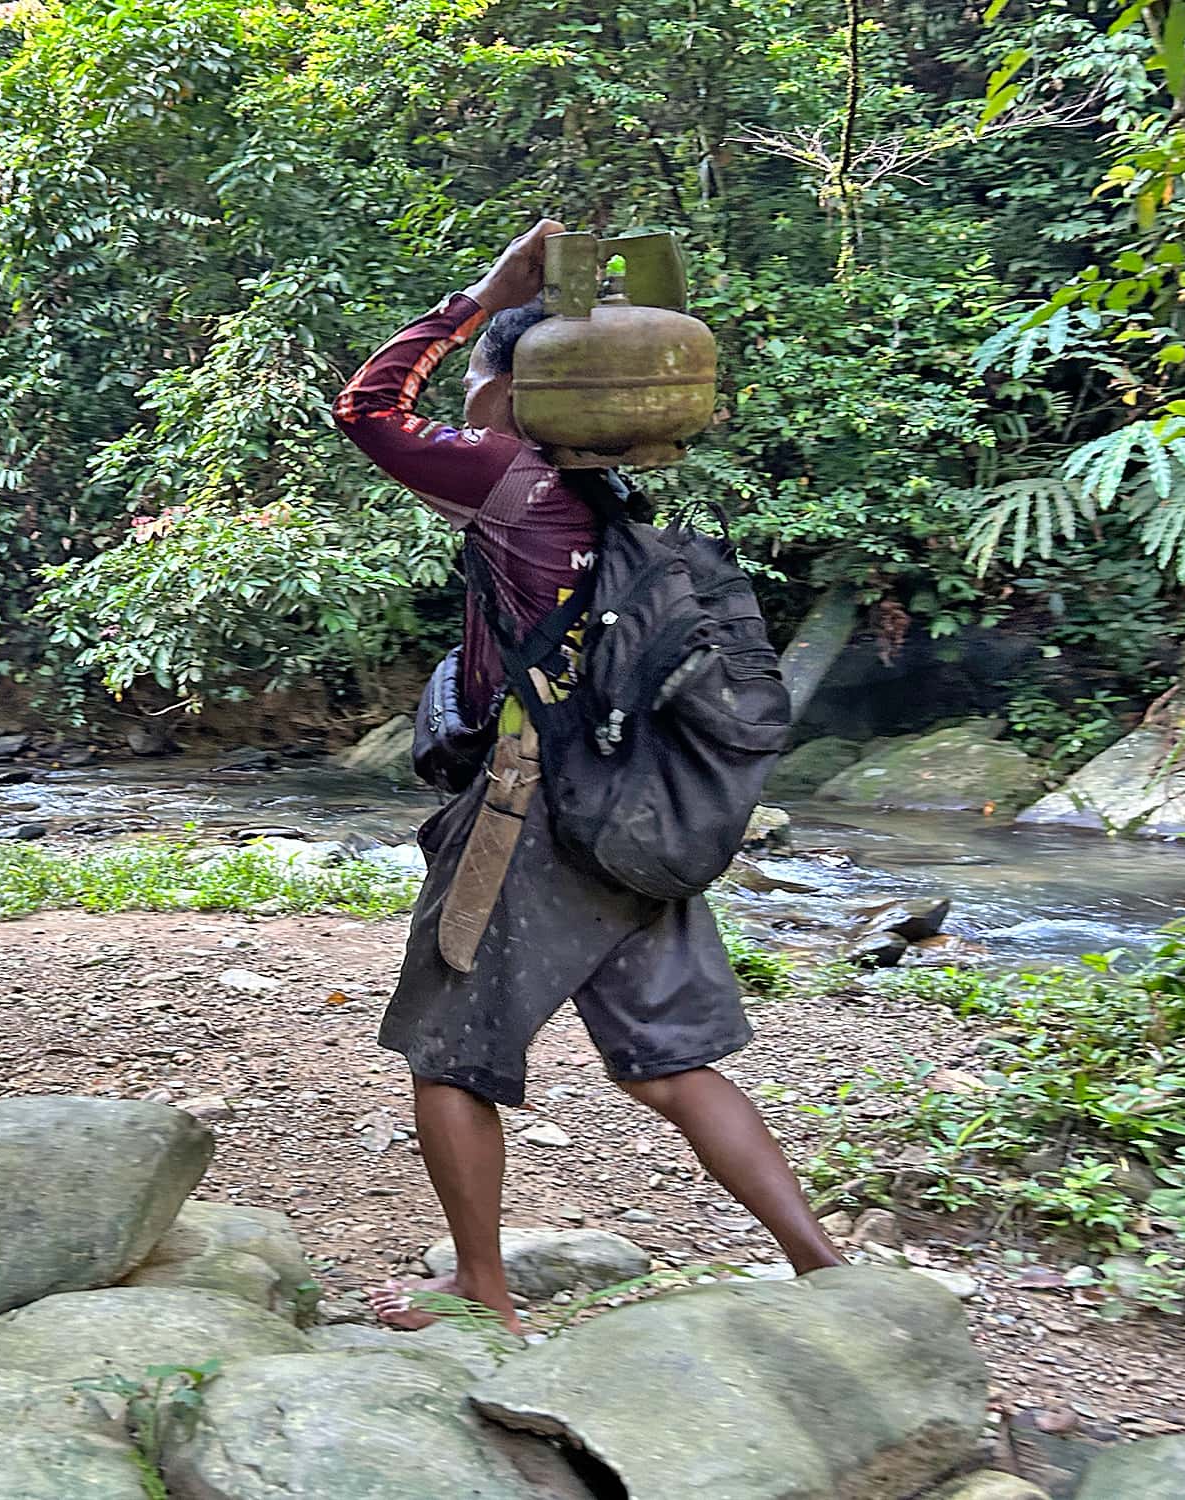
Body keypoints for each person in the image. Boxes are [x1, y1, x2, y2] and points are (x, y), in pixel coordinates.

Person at [333, 218, 843, 1334]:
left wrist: (477, 296)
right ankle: (827, 1275)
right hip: (637, 811)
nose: (464, 402)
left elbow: (368, 410)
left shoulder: (512, 484)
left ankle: (484, 1293)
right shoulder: (614, 505)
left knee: (448, 1058)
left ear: (516, 394)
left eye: (478, 384)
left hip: (532, 818)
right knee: (670, 1066)